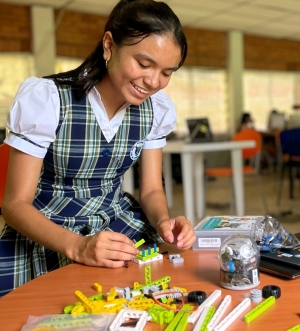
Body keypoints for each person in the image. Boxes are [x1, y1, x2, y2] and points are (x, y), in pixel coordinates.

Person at [0, 0, 196, 297]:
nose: (153, 82)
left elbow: (152, 190)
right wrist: (78, 246)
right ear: (109, 45)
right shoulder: (49, 100)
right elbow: (14, 205)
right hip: (48, 235)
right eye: (144, 64)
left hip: (116, 226)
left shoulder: (155, 111)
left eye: (167, 73)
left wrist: (164, 222)